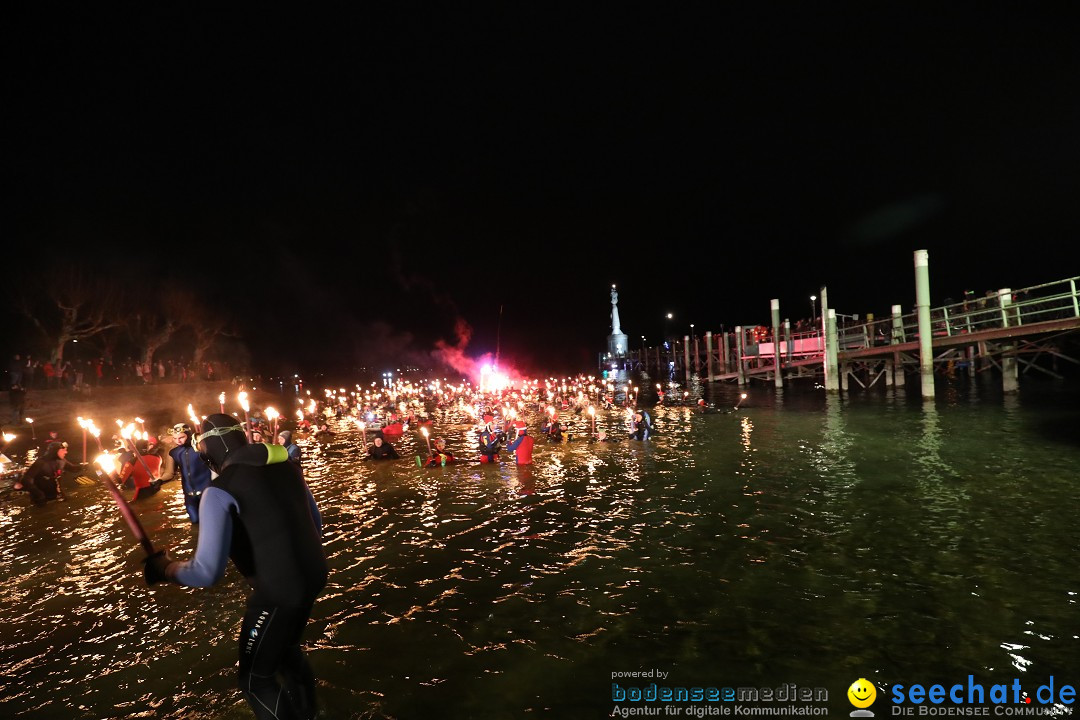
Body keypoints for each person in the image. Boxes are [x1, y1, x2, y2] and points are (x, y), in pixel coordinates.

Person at [143, 413, 327, 720]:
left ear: (211, 451)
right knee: (286, 651)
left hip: (278, 593)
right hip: (314, 575)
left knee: (255, 681)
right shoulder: (290, 468)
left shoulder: (219, 491)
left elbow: (206, 572)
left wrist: (164, 568)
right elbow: (315, 525)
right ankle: (309, 713)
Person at [14, 441, 84, 504]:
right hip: (42, 499)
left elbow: (73, 469)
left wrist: (83, 466)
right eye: (63, 450)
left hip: (58, 495)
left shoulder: (62, 461)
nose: (66, 452)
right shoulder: (41, 463)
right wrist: (39, 494)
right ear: (55, 451)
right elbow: (26, 480)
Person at [169, 423, 213, 524]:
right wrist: (159, 480)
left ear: (188, 435)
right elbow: (170, 473)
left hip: (206, 492)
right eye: (175, 438)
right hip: (189, 496)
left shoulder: (202, 448)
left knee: (210, 522)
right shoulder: (174, 452)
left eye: (181, 437)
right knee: (195, 522)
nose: (178, 441)